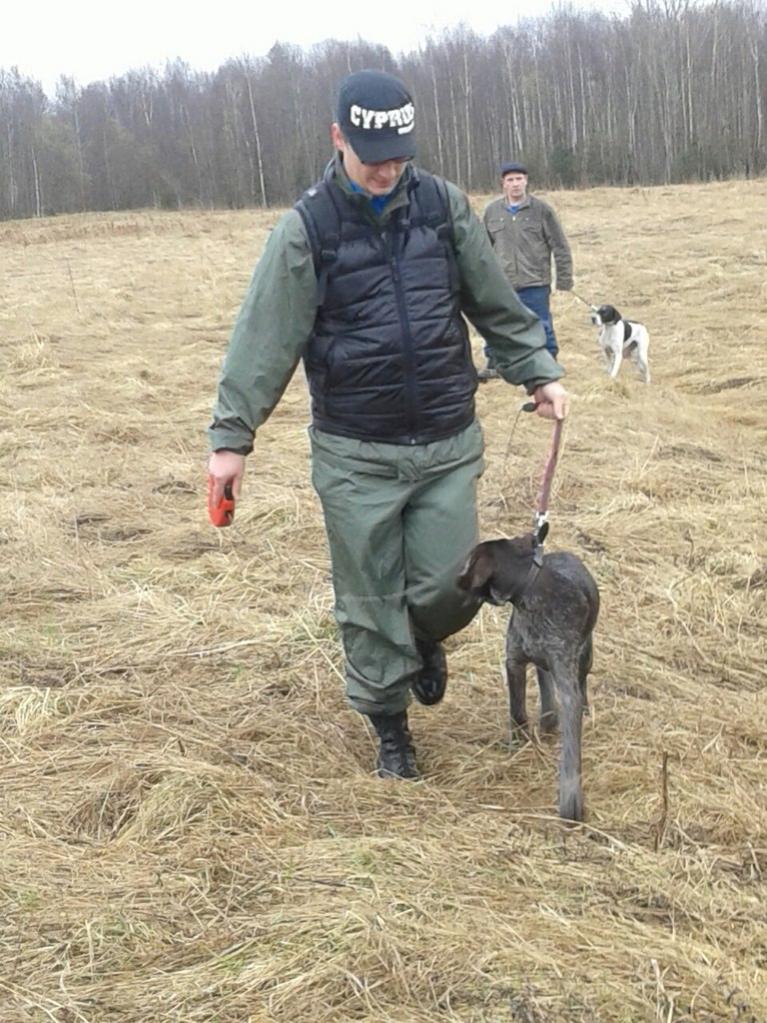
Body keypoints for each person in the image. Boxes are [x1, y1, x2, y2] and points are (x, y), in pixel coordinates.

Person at [208, 70, 568, 780]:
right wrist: (230, 440)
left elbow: (493, 300)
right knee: (369, 598)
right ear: (338, 138)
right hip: (355, 452)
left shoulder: (441, 207)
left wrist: (537, 369)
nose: (387, 170)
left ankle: (422, 638)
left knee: (455, 584)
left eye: (399, 155)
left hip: (445, 440)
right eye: (374, 156)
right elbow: (263, 340)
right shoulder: (307, 229)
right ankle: (391, 728)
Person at [479, 161, 573, 379]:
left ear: (526, 181)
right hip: (502, 283)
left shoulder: (541, 210)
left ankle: (548, 364)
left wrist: (564, 279)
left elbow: (560, 246)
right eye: (510, 180)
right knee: (497, 324)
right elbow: (482, 249)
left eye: (519, 179)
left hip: (535, 282)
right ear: (503, 184)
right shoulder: (492, 212)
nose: (515, 184)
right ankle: (495, 363)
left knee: (541, 324)